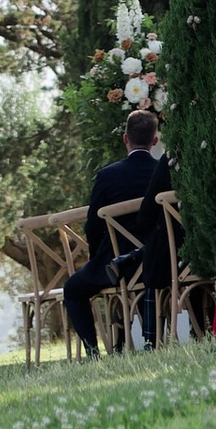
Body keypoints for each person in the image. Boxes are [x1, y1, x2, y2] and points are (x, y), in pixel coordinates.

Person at [65, 105, 174, 351]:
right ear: (155, 140)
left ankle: (93, 351)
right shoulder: (165, 173)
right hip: (160, 262)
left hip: (117, 264)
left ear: (125, 138)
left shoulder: (107, 176)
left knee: (72, 289)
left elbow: (93, 225)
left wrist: (97, 259)